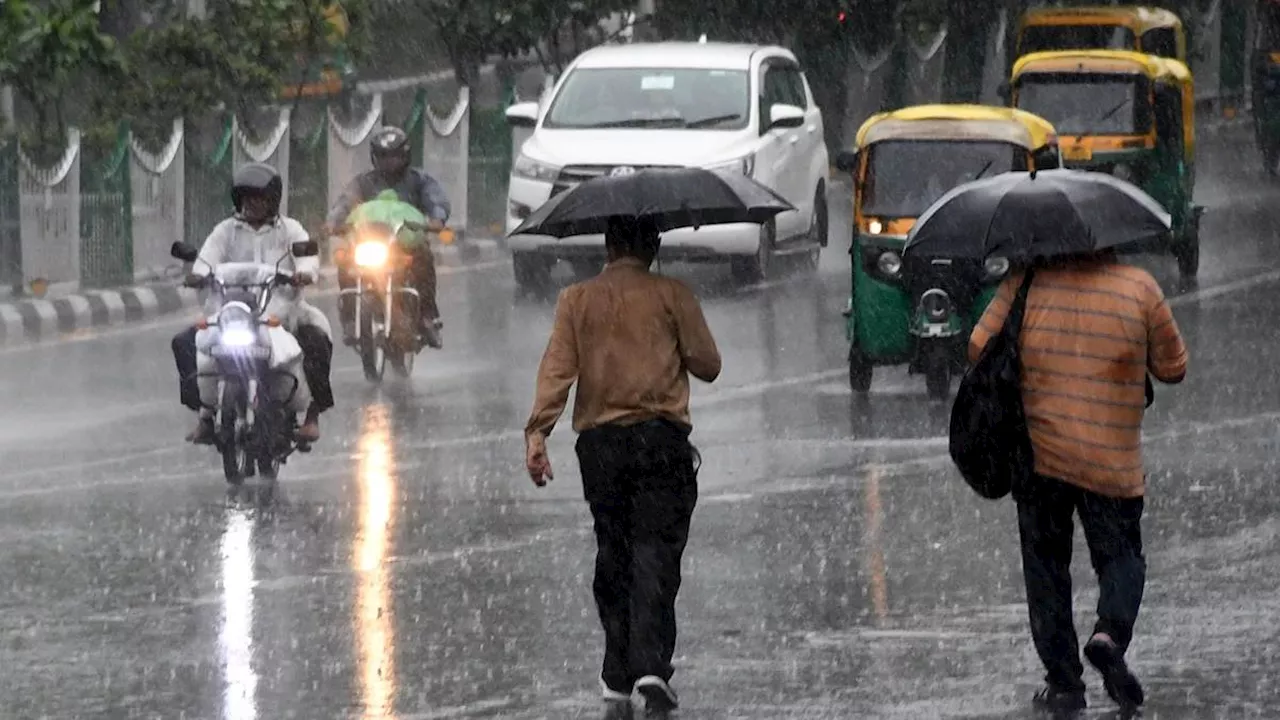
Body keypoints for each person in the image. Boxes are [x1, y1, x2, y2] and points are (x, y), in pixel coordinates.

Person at [969, 250, 1188, 715]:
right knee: (1121, 556)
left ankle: (1065, 683)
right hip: (1112, 460)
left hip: (1041, 457)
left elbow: (977, 347)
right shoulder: (1139, 287)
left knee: (1046, 568)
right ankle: (1109, 634)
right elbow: (1173, 368)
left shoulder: (1025, 282)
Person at [524, 215, 721, 720]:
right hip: (661, 442)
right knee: (656, 552)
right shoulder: (673, 294)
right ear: (653, 245)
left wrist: (538, 432)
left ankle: (617, 675)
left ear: (608, 247)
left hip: (601, 447)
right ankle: (651, 664)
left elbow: (557, 369)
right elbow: (709, 364)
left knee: (614, 552)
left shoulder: (576, 300)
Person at [171, 163, 334, 444]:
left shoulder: (290, 230)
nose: (252, 205)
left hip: (281, 313)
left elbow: (306, 255)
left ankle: (311, 417)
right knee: (184, 343)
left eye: (259, 199)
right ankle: (206, 415)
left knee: (317, 338)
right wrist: (196, 275)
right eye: (247, 198)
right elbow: (206, 259)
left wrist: (304, 273)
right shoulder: (225, 231)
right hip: (231, 312)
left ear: (272, 200)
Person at [325, 125, 450, 349]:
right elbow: (345, 202)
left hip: (405, 244)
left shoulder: (419, 180)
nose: (389, 162)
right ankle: (350, 315)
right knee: (345, 259)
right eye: (383, 157)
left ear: (405, 155)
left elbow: (436, 199)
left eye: (394, 156)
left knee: (424, 257)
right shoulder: (363, 182)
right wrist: (333, 222)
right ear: (374, 157)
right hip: (371, 243)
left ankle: (427, 316)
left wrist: (437, 218)